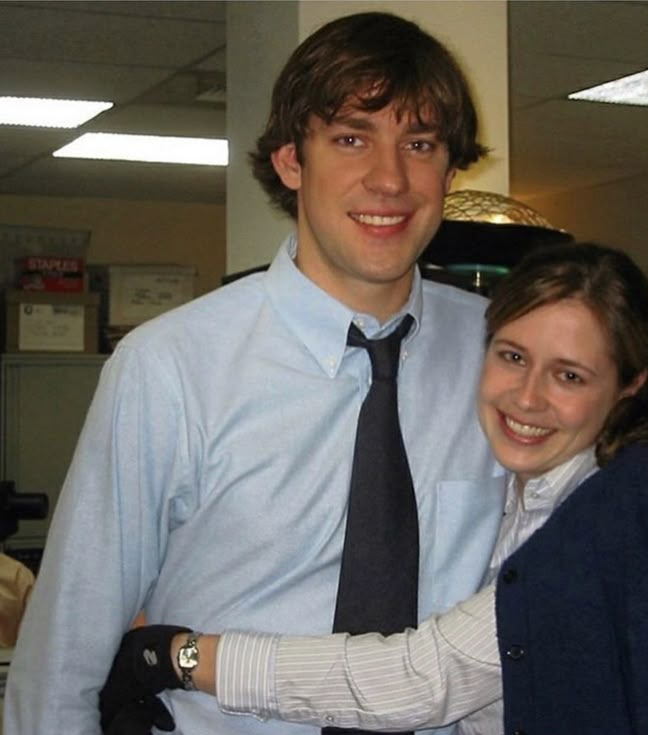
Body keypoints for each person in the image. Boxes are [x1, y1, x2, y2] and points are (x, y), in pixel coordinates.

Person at [4, 12, 507, 735]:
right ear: (290, 162)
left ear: (449, 169)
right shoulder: (169, 366)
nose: (391, 178)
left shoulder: (504, 358)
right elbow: (63, 656)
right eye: (351, 138)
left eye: (420, 143)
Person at [100, 243, 648, 735]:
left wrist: (178, 658)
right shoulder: (519, 486)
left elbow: (418, 679)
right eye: (512, 356)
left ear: (627, 385)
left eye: (569, 374)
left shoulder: (624, 505)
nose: (528, 396)